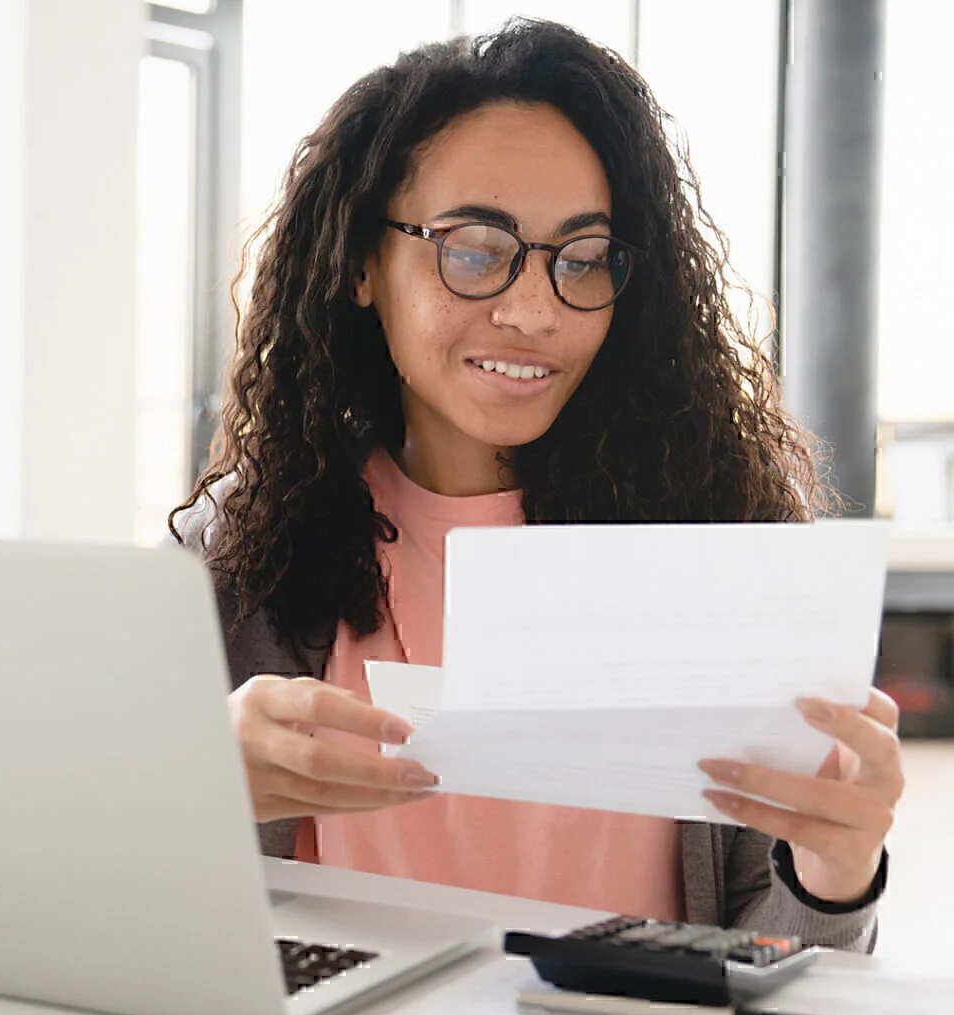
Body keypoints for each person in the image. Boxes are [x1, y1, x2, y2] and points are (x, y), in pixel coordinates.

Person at [169, 19, 900, 952]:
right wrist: (186, 782)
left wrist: (838, 873)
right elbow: (91, 894)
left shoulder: (722, 544)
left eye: (583, 259)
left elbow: (784, 964)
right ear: (360, 262)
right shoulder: (240, 550)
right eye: (476, 248)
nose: (534, 311)